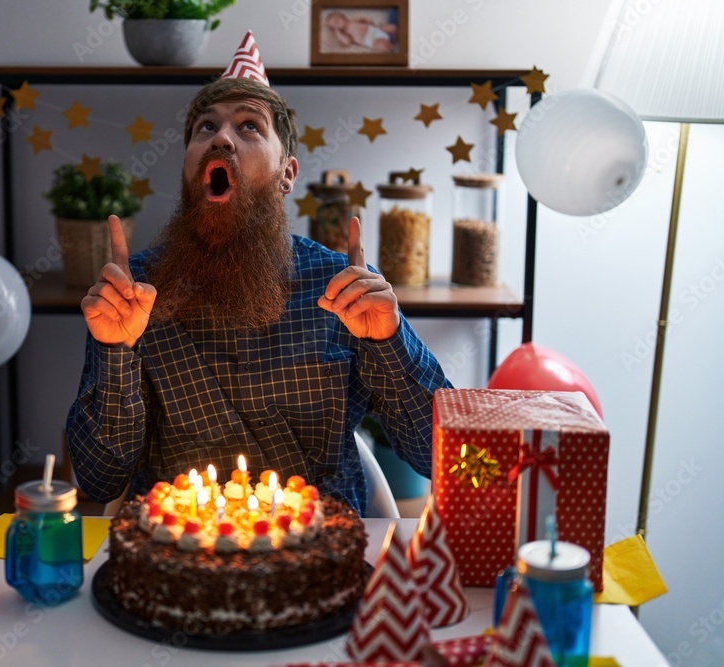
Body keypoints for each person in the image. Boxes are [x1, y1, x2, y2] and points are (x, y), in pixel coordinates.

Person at [66, 35, 450, 515]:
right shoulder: (132, 293)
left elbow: (441, 457)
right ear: (189, 168)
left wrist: (388, 343)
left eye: (249, 127)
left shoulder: (342, 288)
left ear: (287, 174)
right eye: (205, 127)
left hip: (320, 550)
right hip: (180, 551)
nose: (221, 138)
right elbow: (99, 480)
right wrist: (114, 350)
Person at [324, 10, 397, 53]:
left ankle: (401, 36)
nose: (336, 24)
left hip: (375, 29)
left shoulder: (352, 21)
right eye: (333, 26)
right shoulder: (344, 33)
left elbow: (363, 20)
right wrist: (338, 32)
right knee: (382, 45)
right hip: (370, 40)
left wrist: (367, 20)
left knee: (392, 27)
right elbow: (347, 41)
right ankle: (393, 47)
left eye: (336, 20)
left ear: (342, 16)